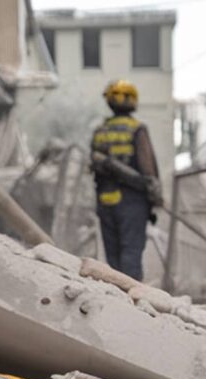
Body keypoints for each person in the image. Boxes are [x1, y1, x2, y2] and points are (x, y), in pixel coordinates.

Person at [90, 79, 162, 281]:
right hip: (132, 202)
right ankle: (131, 296)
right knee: (131, 253)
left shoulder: (100, 131)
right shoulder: (137, 129)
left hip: (105, 200)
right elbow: (148, 169)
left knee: (113, 258)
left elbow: (94, 167)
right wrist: (156, 199)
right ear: (132, 101)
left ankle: (115, 295)